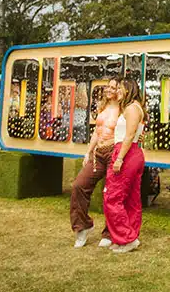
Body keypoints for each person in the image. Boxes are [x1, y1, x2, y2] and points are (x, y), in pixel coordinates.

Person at [71, 79, 121, 247]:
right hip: (98, 153)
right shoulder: (103, 106)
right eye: (108, 86)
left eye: (113, 87)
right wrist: (88, 151)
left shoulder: (123, 109)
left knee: (111, 193)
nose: (109, 89)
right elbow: (97, 132)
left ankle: (109, 232)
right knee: (79, 185)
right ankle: (82, 226)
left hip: (113, 152)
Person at [104, 77, 146, 253]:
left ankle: (126, 238)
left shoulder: (131, 108)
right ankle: (129, 236)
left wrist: (119, 158)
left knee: (112, 197)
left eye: (120, 88)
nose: (117, 92)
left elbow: (128, 136)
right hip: (131, 152)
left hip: (126, 153)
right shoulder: (134, 108)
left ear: (128, 89)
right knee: (131, 199)